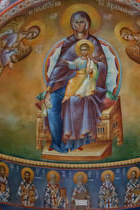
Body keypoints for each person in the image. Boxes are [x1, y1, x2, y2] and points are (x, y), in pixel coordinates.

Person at [41, 11, 107, 153]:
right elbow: (60, 66)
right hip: (65, 84)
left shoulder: (93, 42)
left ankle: (77, 140)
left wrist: (93, 66)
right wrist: (49, 89)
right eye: (76, 22)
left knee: (75, 101)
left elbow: (102, 65)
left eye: (82, 21)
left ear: (87, 23)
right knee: (51, 104)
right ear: (72, 24)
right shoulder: (68, 43)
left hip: (87, 85)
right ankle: (57, 143)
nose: (79, 25)